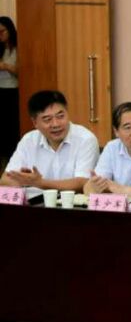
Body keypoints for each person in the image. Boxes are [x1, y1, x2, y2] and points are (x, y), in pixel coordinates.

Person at [1, 90, 99, 198]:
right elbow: (5, 180)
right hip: (33, 203)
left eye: (60, 116)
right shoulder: (29, 140)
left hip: (71, 204)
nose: (55, 124)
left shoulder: (85, 139)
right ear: (35, 122)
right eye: (47, 119)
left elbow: (82, 182)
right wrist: (24, 180)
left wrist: (39, 183)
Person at [0, 16, 18, 162]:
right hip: (0, 89)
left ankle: (12, 156)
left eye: (2, 31)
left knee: (11, 125)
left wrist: (5, 66)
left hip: (12, 91)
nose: (0, 35)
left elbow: (22, 71)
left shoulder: (18, 47)